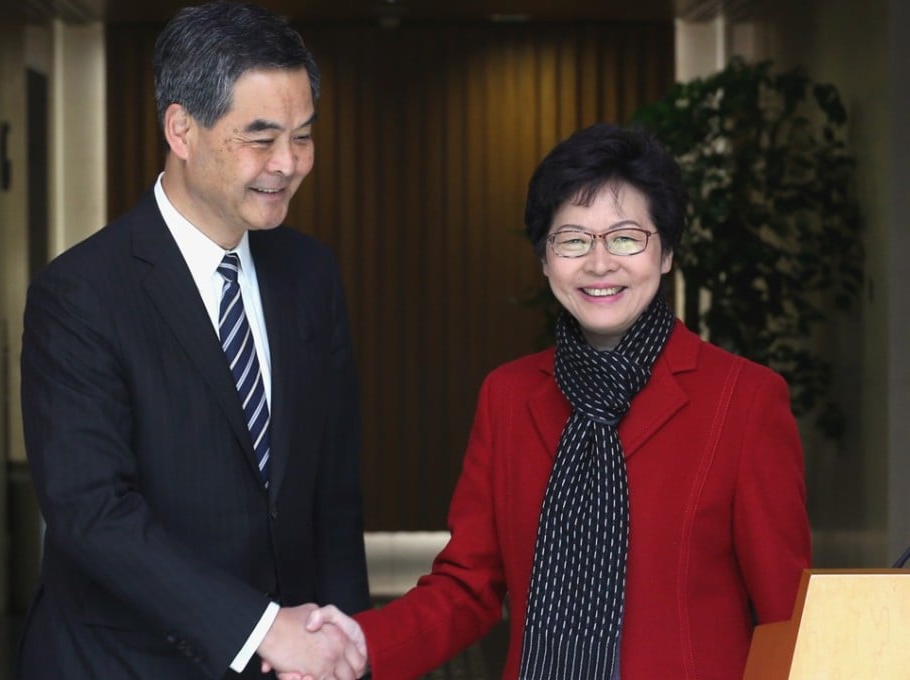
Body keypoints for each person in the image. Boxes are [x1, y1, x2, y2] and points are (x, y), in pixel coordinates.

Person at [304, 123, 811, 680]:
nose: (598, 263)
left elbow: (786, 615)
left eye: (625, 238)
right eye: (572, 239)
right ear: (545, 260)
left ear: (666, 252)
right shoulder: (508, 395)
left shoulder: (744, 400)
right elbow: (469, 586)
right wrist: (361, 642)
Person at [16, 2, 370, 678]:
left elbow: (333, 490)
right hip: (123, 662)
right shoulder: (82, 294)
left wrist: (344, 647)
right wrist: (263, 630)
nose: (289, 163)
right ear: (181, 128)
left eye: (303, 136)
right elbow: (93, 514)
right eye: (260, 138)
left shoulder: (310, 274)